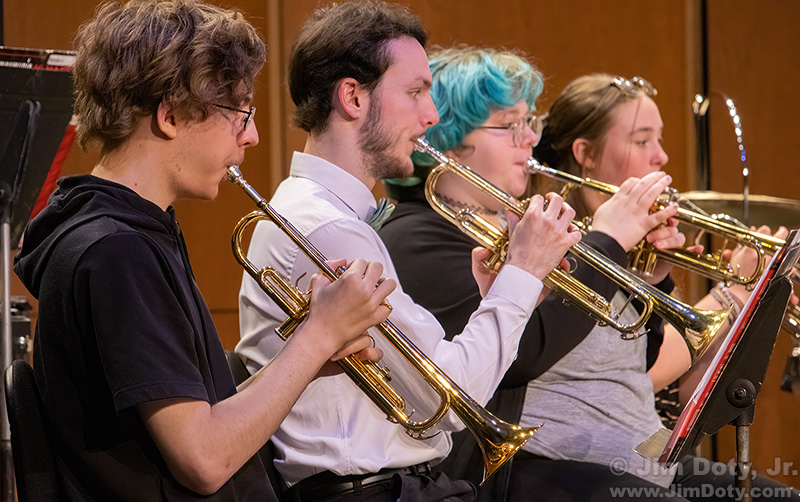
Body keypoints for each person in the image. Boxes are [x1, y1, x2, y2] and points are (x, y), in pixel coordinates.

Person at [12, 1, 395, 500]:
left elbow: (203, 416)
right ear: (171, 115)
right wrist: (317, 336)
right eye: (240, 114)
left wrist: (309, 354)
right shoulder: (116, 253)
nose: (252, 136)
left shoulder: (128, 234)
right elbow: (205, 461)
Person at [381, 56, 798, 500]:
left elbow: (633, 356)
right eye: (510, 126)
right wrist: (609, 242)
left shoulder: (518, 223)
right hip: (531, 469)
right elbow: (523, 355)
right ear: (448, 140)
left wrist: (649, 278)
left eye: (529, 122)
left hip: (637, 459)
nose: (530, 139)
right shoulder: (419, 237)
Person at [235, 3, 581, 501]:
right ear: (353, 97)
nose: (431, 116)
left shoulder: (331, 214)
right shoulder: (329, 227)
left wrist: (501, 293)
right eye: (416, 92)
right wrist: (524, 270)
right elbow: (451, 397)